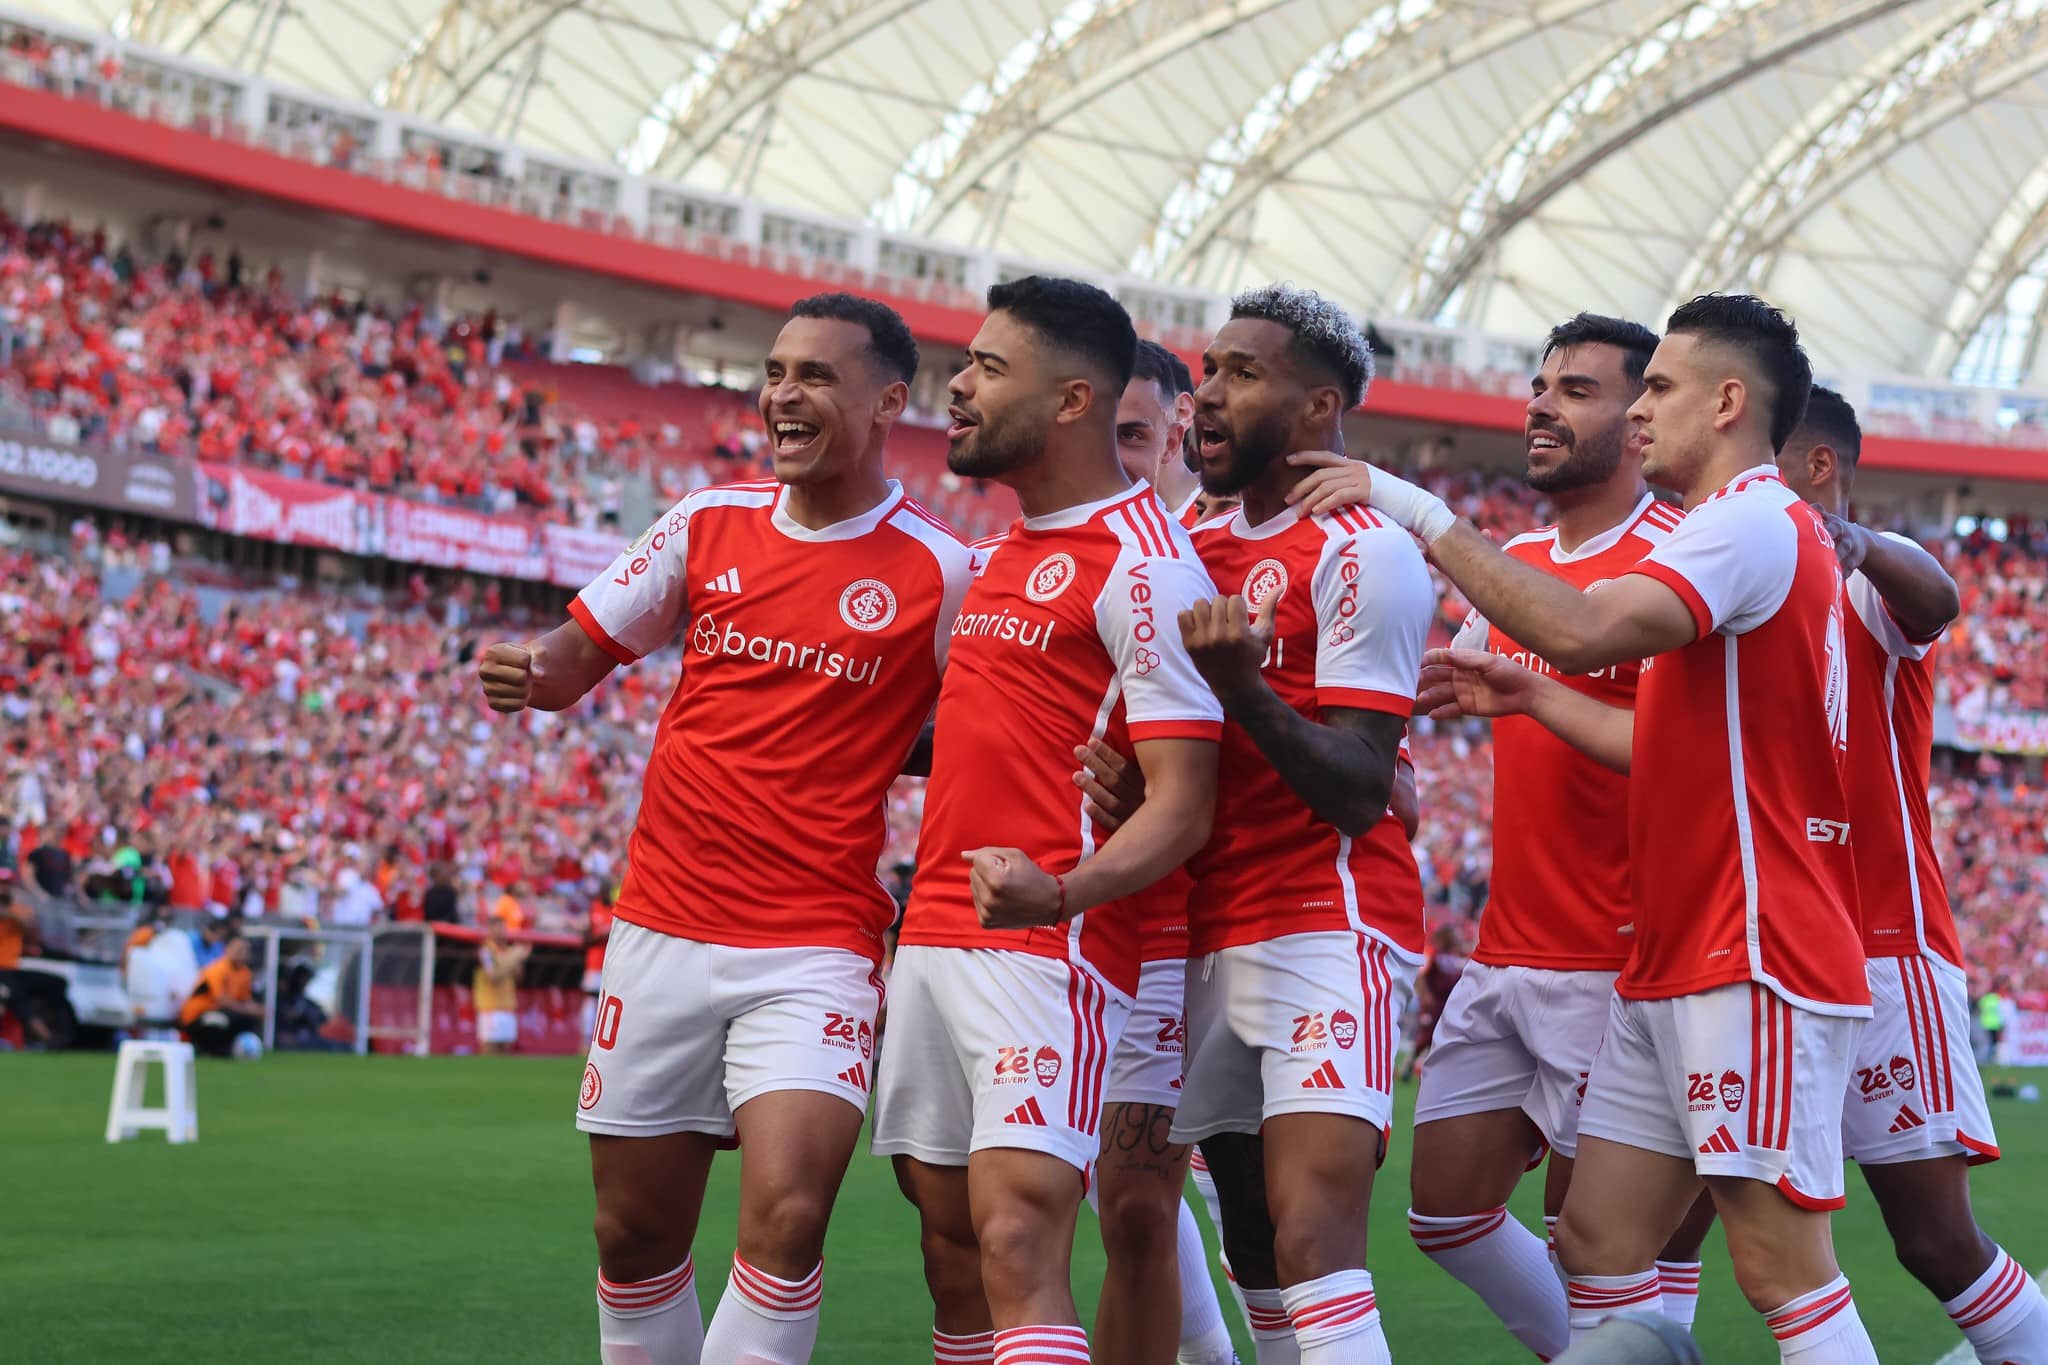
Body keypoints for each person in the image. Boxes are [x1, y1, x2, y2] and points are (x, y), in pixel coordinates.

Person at [479, 292, 975, 1365]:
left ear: (890, 401)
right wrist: (527, 671)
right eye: (775, 372)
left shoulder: (940, 570)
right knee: (633, 1235)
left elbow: (986, 734)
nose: (782, 395)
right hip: (661, 928)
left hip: (815, 946)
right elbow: (574, 658)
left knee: (788, 1221)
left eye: (815, 377)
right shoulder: (705, 521)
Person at [1389, 294, 1877, 1360]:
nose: (1641, 411)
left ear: (1728, 401)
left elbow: (1580, 627)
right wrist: (1524, 701)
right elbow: (1663, 739)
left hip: (1752, 946)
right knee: (1599, 1238)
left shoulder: (1750, 518)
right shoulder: (1729, 531)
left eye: (1656, 387)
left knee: (1777, 1266)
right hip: (1676, 952)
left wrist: (1417, 512)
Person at [1290, 314, 1713, 1355]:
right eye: (1538, 385)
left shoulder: (1673, 557)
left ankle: (1635, 1340)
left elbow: (1680, 755)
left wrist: (1524, 694)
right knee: (1444, 1213)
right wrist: (1392, 764)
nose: (1538, 405)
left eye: (1574, 390)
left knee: (1603, 1243)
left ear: (1640, 414)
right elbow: (1469, 696)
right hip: (1506, 950)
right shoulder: (1513, 559)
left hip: (1620, 961)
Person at [871, 276, 1221, 1365]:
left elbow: (1184, 805)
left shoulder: (1147, 565)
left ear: (1070, 402)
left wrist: (1059, 892)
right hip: (930, 934)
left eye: (985, 368)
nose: (957, 388)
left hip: (1046, 946)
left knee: (1020, 1240)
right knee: (951, 1253)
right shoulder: (998, 556)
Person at [1162, 283, 1432, 1364]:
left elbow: (1362, 788)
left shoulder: (1364, 551)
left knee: (1316, 1237)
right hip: (1204, 926)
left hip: (1328, 922)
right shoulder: (1187, 534)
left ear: (1319, 409)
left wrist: (1242, 685)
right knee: (1254, 1243)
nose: (1208, 396)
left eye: (1241, 373)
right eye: (1206, 372)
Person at [1775, 387, 2048, 1361]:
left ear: (1816, 471)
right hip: (1761, 959)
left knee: (1932, 1241)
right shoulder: (1729, 588)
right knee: (1658, 1227)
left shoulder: (1859, 589)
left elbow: (1935, 596)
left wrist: (1849, 540)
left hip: (1882, 950)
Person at [1400, 924, 1468, 1084]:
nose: (1458, 939)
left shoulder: (1459, 956)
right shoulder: (1433, 953)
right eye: (1455, 936)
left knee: (1443, 1038)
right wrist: (1425, 995)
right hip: (1433, 1004)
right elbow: (1421, 975)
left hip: (1449, 1004)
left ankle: (1432, 1074)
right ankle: (1408, 1066)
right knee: (1425, 1038)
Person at [180, 933, 262, 1057]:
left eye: (245, 950)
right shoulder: (217, 970)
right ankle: (207, 1047)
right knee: (221, 1020)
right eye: (239, 949)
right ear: (227, 949)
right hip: (197, 1015)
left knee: (248, 1019)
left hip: (221, 1011)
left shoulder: (245, 973)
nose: (242, 953)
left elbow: (245, 999)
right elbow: (221, 1000)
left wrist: (256, 1010)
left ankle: (225, 1047)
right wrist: (246, 1010)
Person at [474, 918, 529, 1055]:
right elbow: (492, 976)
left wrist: (516, 962)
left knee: (506, 1050)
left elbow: (519, 977)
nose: (500, 933)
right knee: (489, 1049)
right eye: (496, 929)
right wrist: (513, 959)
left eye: (502, 929)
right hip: (490, 1008)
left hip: (508, 1006)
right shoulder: (485, 951)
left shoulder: (508, 951)